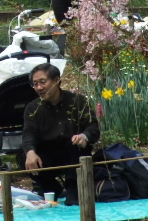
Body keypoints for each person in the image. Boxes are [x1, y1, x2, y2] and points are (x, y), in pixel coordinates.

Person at [20, 62, 100, 205]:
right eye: (35, 84)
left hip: (73, 152)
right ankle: (51, 188)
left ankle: (74, 189)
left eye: (43, 82)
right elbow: (28, 134)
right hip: (48, 156)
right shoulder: (32, 108)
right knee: (24, 156)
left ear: (57, 80)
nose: (39, 88)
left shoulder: (78, 101)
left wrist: (84, 137)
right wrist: (30, 151)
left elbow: (93, 127)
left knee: (73, 145)